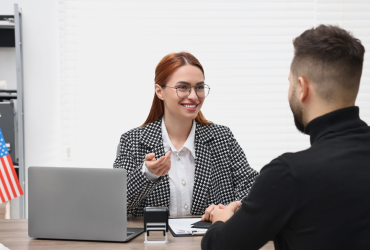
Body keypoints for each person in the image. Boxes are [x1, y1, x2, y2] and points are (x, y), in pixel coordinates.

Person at [201, 25, 370, 250]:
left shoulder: (289, 174)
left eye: (290, 82)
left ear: (302, 88)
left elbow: (219, 247)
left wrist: (220, 221)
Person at [113, 52, 258, 217]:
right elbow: (117, 203)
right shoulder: (132, 141)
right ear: (159, 91)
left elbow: (252, 188)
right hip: (152, 242)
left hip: (209, 240)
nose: (194, 96)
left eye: (199, 87)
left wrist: (229, 211)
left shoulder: (222, 137)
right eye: (182, 87)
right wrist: (147, 174)